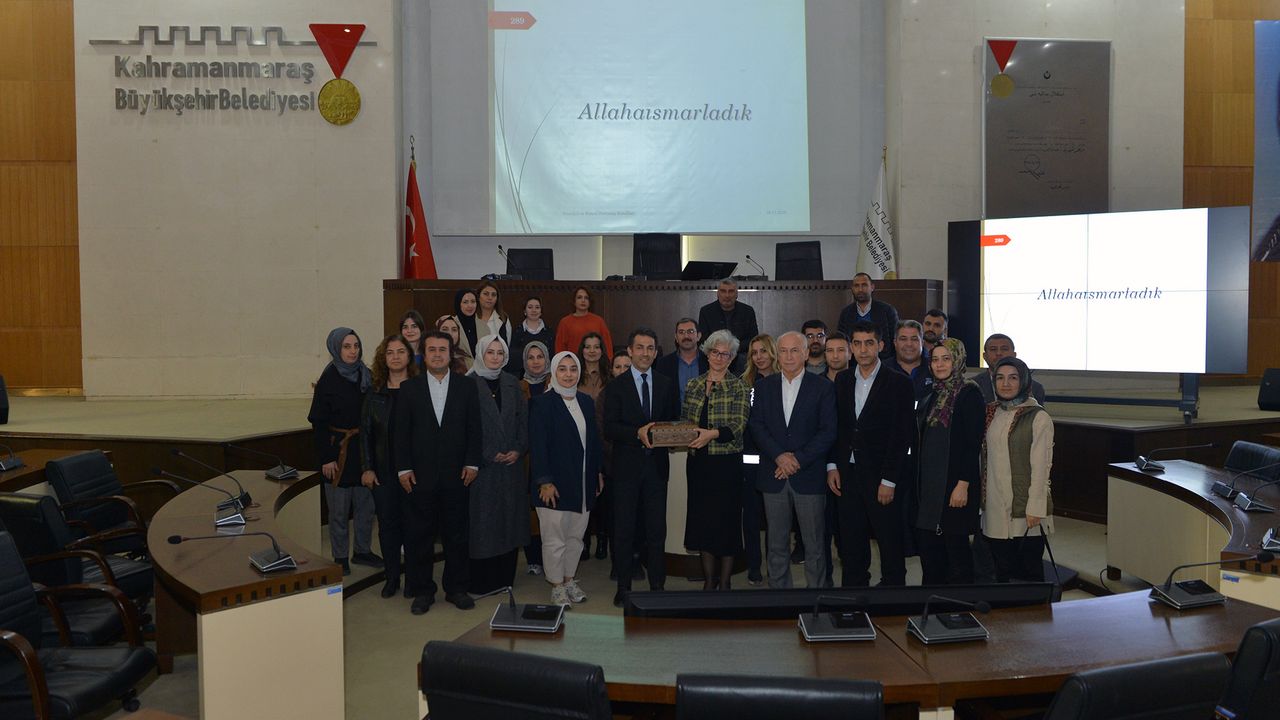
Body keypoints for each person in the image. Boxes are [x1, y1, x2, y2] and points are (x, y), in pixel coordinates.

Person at [393, 331, 482, 614]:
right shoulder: (409, 388)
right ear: (424, 354)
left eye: (442, 349)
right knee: (420, 536)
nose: (437, 354)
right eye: (431, 349)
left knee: (457, 535)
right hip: (420, 476)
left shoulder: (467, 387)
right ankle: (422, 591)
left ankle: (456, 588)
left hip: (458, 475)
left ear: (450, 354)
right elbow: (400, 433)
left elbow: (474, 428)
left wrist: (472, 463)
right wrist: (403, 468)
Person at [826, 321, 914, 587]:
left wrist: (889, 480)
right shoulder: (842, 380)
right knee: (851, 542)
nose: (863, 350)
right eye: (857, 343)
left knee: (889, 541)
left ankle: (892, 595)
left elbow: (901, 435)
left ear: (881, 346)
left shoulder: (899, 382)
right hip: (847, 474)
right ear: (851, 348)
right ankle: (854, 595)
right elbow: (837, 428)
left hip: (881, 476)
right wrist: (832, 465)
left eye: (869, 343)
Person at [748, 331, 836, 589]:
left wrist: (796, 460)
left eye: (795, 350)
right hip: (773, 475)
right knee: (776, 544)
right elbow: (756, 425)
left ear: (806, 354)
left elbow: (828, 431)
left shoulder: (823, 387)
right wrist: (779, 456)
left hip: (808, 476)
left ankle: (816, 598)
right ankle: (779, 599)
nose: (788, 356)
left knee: (815, 545)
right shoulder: (763, 387)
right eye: (783, 351)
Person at [603, 327, 680, 606]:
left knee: (656, 531)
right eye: (640, 348)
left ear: (656, 352)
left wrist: (674, 435)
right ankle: (624, 587)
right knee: (624, 531)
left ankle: (657, 586)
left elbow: (673, 420)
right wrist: (637, 433)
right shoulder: (616, 386)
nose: (645, 353)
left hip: (657, 470)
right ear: (630, 350)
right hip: (626, 470)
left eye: (650, 348)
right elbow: (610, 428)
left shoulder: (666, 383)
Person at [529, 351, 604, 606]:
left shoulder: (585, 402)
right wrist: (544, 481)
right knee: (554, 539)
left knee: (576, 537)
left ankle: (569, 579)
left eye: (573, 369)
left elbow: (593, 441)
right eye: (562, 369)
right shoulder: (542, 403)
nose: (569, 374)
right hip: (554, 484)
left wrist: (597, 473)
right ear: (553, 372)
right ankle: (556, 585)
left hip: (583, 481)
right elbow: (538, 445)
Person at [680, 330, 751, 591]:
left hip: (727, 465)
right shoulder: (694, 384)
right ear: (707, 353)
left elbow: (739, 425)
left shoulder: (740, 386)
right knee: (704, 524)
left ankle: (725, 581)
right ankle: (709, 581)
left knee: (726, 525)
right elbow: (685, 421)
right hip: (699, 465)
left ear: (732, 358)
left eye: (725, 354)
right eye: (715, 352)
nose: (719, 358)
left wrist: (712, 434)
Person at [913, 338, 985, 585]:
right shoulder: (931, 393)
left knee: (956, 553)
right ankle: (931, 601)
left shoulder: (969, 393)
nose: (940, 364)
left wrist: (963, 484)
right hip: (930, 486)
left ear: (958, 360)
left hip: (955, 485)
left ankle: (959, 604)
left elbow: (972, 444)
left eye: (946, 359)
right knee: (930, 552)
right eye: (935, 359)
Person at [308, 328, 379, 577]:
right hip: (338, 452)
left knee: (365, 506)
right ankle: (340, 557)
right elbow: (318, 422)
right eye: (347, 346)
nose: (353, 351)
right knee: (338, 511)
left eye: (356, 346)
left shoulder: (367, 376)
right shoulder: (328, 380)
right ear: (336, 349)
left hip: (363, 451)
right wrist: (327, 457)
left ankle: (362, 550)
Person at [467, 335, 530, 594]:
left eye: (499, 352)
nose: (495, 357)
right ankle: (483, 582)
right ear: (480, 354)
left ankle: (505, 578)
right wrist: (487, 453)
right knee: (483, 525)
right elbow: (464, 427)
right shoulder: (468, 384)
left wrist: (518, 449)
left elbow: (524, 421)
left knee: (509, 523)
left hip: (511, 467)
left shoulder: (512, 383)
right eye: (490, 352)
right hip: (482, 469)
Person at [983, 356, 1055, 582]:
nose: (1005, 384)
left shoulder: (1038, 416)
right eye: (1000, 378)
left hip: (1026, 510)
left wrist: (1035, 507)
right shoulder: (991, 412)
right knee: (1002, 571)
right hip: (994, 507)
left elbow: (1042, 467)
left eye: (1013, 378)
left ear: (1023, 381)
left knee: (1028, 573)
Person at [359, 333, 418, 598]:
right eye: (390, 352)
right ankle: (392, 577)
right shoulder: (374, 394)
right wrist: (367, 468)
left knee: (414, 527)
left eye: (400, 352)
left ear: (409, 356)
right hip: (383, 474)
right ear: (383, 359)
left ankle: (414, 579)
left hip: (414, 473)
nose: (395, 357)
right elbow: (365, 434)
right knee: (388, 527)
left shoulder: (419, 390)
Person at [740, 334, 778, 585]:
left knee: (775, 519)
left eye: (763, 351)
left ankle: (775, 567)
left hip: (776, 459)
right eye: (754, 352)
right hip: (750, 459)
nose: (759, 357)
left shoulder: (784, 380)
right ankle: (754, 565)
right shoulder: (743, 383)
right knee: (751, 517)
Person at [518, 340, 553, 576]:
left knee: (551, 508)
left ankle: (552, 558)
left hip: (551, 454)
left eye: (540, 356)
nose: (536, 361)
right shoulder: (517, 386)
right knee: (530, 507)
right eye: (531, 357)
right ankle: (533, 558)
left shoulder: (556, 382)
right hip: (526, 457)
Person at [697, 278, 759, 373]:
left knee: (743, 359)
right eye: (723, 291)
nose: (727, 295)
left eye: (731, 291)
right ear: (718, 294)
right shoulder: (706, 311)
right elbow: (703, 339)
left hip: (740, 354)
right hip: (715, 354)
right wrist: (721, 351)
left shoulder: (747, 311)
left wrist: (733, 348)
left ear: (736, 294)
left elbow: (753, 338)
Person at [836, 273, 899, 359]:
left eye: (864, 285)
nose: (860, 289)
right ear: (852, 289)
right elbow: (842, 341)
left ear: (872, 287)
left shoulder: (887, 310)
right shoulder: (846, 313)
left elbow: (895, 339)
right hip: (854, 363)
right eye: (856, 286)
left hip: (883, 362)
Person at [974, 333, 1046, 405]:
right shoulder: (972, 385)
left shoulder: (1035, 388)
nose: (998, 353)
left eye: (1004, 349)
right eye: (993, 349)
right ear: (984, 356)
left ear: (1014, 355)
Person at [654, 318, 708, 403]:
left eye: (690, 331)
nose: (686, 336)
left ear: (698, 336)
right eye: (681, 332)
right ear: (676, 337)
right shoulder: (663, 364)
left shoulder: (710, 362)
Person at [555, 286, 613, 356]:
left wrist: (609, 361)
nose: (583, 300)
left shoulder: (599, 321)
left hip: (595, 360)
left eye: (586, 298)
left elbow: (607, 346)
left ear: (590, 301)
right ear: (574, 301)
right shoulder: (565, 322)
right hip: (573, 361)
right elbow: (560, 347)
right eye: (579, 297)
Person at [508, 296, 555, 378]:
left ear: (541, 311)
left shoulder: (549, 332)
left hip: (546, 377)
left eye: (537, 307)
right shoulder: (517, 333)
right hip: (522, 378)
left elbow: (552, 355)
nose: (534, 310)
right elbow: (514, 359)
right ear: (524, 311)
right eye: (530, 307)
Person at [888, 320, 932, 400]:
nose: (909, 344)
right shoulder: (882, 369)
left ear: (922, 343)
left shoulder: (933, 367)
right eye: (903, 339)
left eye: (914, 339)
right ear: (895, 343)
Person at [475, 280, 513, 348]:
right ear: (478, 296)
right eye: (486, 294)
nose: (490, 298)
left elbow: (506, 347)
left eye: (493, 295)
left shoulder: (503, 319)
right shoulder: (471, 317)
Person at [577, 332, 610, 402]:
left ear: (602, 351)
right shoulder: (575, 375)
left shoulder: (610, 375)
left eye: (596, 347)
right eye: (587, 347)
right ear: (582, 350)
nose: (592, 351)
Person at [453, 288, 481, 358]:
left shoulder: (484, 326)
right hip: (459, 364)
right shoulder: (451, 324)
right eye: (465, 302)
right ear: (458, 304)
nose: (470, 306)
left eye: (473, 301)